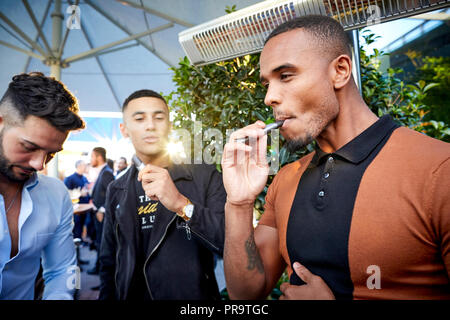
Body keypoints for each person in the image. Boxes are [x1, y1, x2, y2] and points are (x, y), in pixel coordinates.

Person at [221, 15, 450, 300]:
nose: (269, 97)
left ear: (340, 71)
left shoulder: (440, 170)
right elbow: (245, 294)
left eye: (286, 76)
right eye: (267, 83)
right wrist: (238, 203)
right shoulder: (284, 180)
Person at [98, 89, 226, 300]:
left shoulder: (203, 174)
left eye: (159, 118)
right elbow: (108, 261)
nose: (150, 125)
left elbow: (226, 243)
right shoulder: (117, 188)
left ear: (170, 125)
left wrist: (181, 204)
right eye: (139, 118)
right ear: (124, 129)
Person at [0, 72, 85, 299]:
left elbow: (66, 270)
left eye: (51, 154)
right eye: (28, 146)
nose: (39, 164)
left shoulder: (56, 194)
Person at [87, 147, 114, 277]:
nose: (90, 160)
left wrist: (102, 210)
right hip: (97, 213)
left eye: (92, 156)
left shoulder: (107, 172)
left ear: (98, 157)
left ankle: (102, 273)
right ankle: (99, 268)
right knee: (99, 241)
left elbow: (112, 194)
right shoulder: (103, 171)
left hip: (102, 215)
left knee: (102, 243)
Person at [64, 160, 90, 240]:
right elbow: (65, 193)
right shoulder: (69, 178)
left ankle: (80, 241)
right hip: (75, 209)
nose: (86, 167)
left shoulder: (84, 178)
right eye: (84, 165)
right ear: (79, 166)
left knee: (82, 225)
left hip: (85, 208)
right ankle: (75, 243)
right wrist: (79, 193)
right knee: (76, 226)